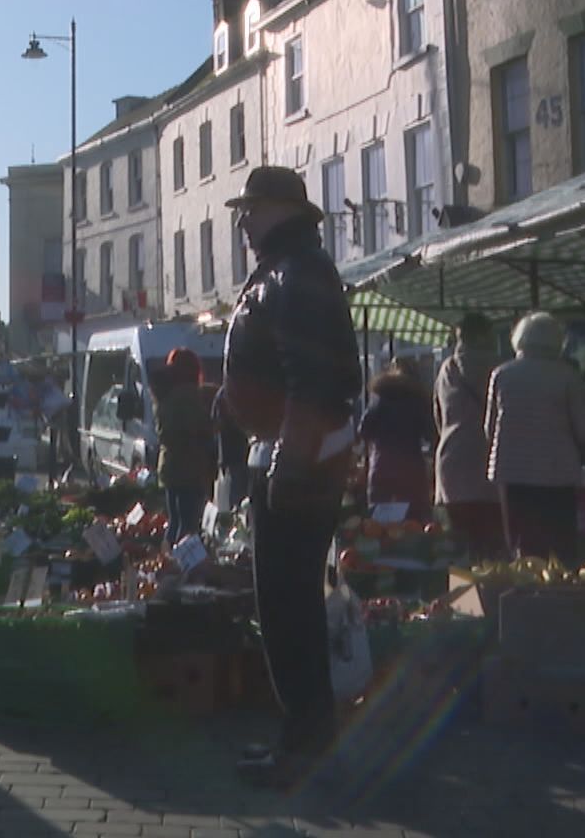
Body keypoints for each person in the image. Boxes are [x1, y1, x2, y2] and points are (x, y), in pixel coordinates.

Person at [217, 167, 361, 791]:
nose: (243, 220)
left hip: (296, 459)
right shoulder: (289, 268)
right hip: (283, 452)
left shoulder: (297, 273)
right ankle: (302, 737)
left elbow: (315, 381)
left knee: (289, 607)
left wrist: (290, 461)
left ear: (278, 208)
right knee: (285, 606)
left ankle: (305, 747)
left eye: (249, 209)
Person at [486, 312, 585, 567]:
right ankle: (561, 593)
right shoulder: (567, 375)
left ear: (519, 339)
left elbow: (489, 429)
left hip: (512, 472)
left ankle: (523, 591)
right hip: (556, 473)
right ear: (558, 341)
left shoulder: (501, 374)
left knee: (522, 544)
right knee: (560, 546)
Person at [434, 314, 506, 562]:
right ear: (485, 336)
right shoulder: (500, 369)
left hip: (452, 460)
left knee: (459, 546)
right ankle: (490, 595)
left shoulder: (447, 369)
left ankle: (460, 598)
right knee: (492, 546)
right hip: (493, 460)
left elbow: (438, 416)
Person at [359, 357, 435, 521]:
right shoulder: (419, 399)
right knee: (414, 519)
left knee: (379, 521)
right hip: (411, 466)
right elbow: (431, 434)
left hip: (381, 465)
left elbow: (364, 430)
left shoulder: (380, 395)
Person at [155, 348, 217, 546]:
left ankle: (165, 560)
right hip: (189, 468)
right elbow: (199, 428)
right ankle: (181, 566)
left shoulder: (165, 394)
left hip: (169, 467)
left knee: (174, 519)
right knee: (188, 524)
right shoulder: (190, 397)